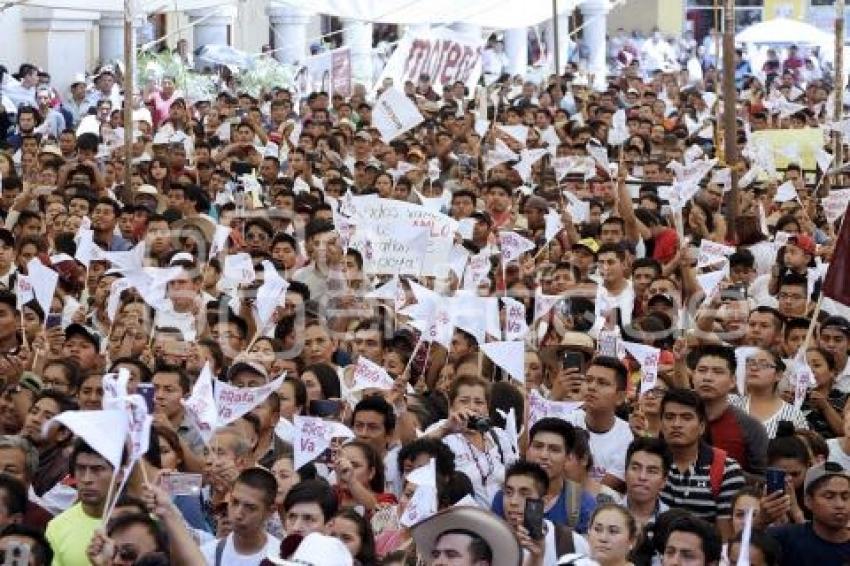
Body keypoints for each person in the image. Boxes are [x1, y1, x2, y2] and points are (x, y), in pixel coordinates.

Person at [659, 388, 745, 540]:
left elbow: (725, 538)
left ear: (701, 427)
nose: (676, 424)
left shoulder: (726, 469)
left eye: (686, 417)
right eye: (669, 417)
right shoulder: (648, 462)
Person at [45, 440, 115, 566]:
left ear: (119, 474)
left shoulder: (141, 524)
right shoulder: (57, 526)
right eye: (81, 469)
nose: (86, 479)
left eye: (97, 469)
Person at [767, 462, 850, 565]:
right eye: (829, 496)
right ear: (808, 501)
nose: (840, 504)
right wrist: (761, 520)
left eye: (845, 497)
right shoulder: (786, 539)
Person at [199, 467, 280, 566]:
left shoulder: (282, 558)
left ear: (270, 511)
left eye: (250, 507)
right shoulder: (206, 555)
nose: (238, 514)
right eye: (235, 502)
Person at [623, 437, 670, 533]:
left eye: (652, 471)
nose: (642, 477)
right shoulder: (605, 517)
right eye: (635, 468)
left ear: (664, 481)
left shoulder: (672, 523)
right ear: (625, 474)